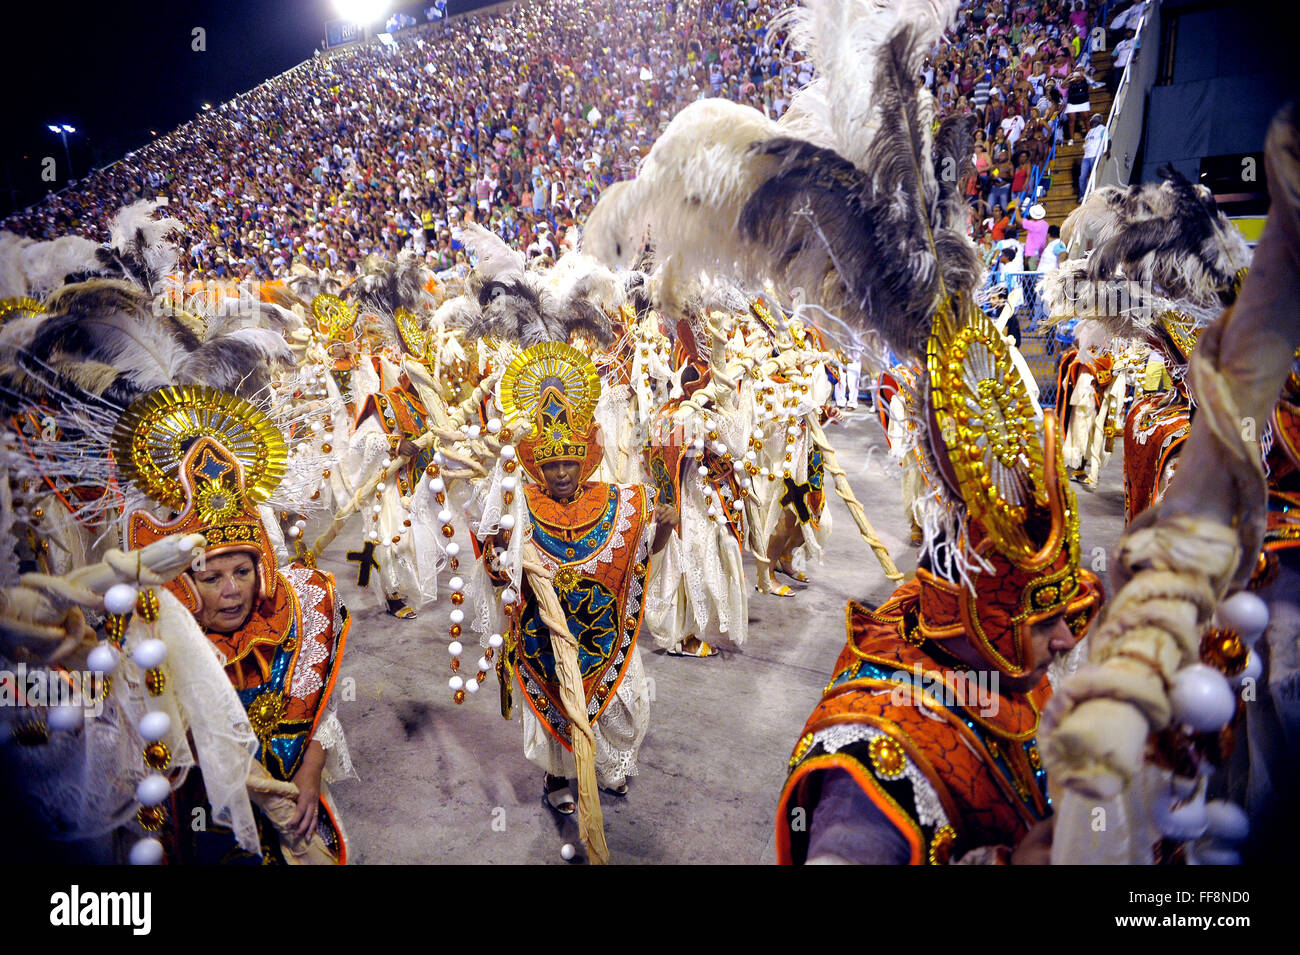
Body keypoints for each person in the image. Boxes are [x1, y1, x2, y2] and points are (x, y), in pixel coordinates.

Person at [776, 309, 1102, 865]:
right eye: (1045, 620)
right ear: (975, 611)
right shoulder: (877, 765)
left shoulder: (947, 626)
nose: (1068, 640)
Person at [126, 432, 353, 864]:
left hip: (297, 805)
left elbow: (324, 705)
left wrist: (310, 772)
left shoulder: (299, 610)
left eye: (243, 571)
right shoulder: (156, 643)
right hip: (207, 815)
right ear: (185, 583)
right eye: (212, 579)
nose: (232, 591)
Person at [488, 342, 671, 813]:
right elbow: (495, 569)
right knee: (555, 704)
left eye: (569, 462)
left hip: (602, 629)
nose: (562, 473)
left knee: (623, 702)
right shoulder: (519, 504)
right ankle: (556, 777)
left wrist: (666, 524)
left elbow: (644, 551)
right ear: (537, 465)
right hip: (543, 633)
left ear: (585, 459)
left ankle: (607, 768)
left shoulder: (618, 500)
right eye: (552, 465)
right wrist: (495, 557)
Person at [1079, 113, 1107, 197]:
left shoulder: (1102, 128)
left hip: (1095, 155)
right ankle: (1083, 195)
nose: (1092, 121)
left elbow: (1108, 139)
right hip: (1086, 157)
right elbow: (1086, 143)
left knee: (1093, 175)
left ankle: (1093, 194)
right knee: (1082, 177)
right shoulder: (1089, 132)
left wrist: (1107, 150)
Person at [1023, 202, 1049, 270]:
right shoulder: (1045, 224)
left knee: (1034, 274)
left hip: (1034, 253)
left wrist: (1016, 207)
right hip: (1040, 251)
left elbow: (1019, 220)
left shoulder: (1033, 224)